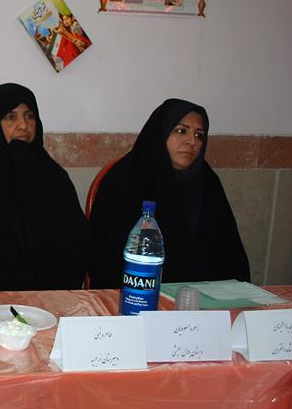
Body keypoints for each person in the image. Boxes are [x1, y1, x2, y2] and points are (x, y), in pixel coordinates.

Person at [89, 99, 250, 289]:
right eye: (181, 131)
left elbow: (231, 257)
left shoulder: (208, 182)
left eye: (199, 135)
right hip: (138, 294)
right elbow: (105, 260)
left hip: (201, 299)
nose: (192, 141)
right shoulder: (124, 180)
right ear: (160, 133)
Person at [0, 84, 89, 290]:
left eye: (29, 116)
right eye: (10, 117)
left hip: (53, 292)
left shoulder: (53, 175)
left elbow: (75, 238)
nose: (23, 125)